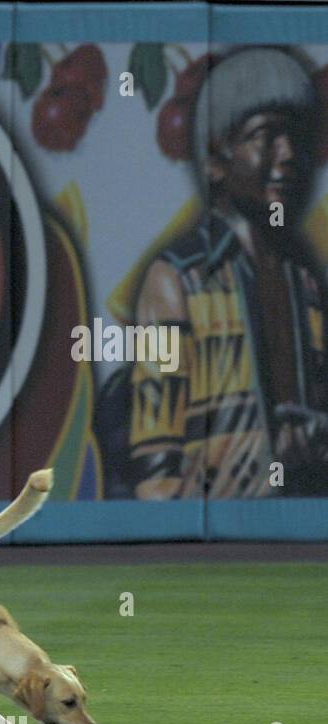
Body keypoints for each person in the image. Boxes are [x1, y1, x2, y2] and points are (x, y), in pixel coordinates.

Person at [107, 47, 328, 499]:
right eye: (265, 135)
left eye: (295, 136)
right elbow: (157, 464)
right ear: (215, 160)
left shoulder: (302, 281)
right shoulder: (175, 281)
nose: (286, 154)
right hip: (217, 536)